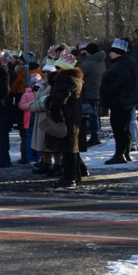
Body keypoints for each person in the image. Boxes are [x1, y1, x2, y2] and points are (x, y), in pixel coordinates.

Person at [100, 38, 138, 164]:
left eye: (111, 52)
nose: (109, 54)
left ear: (117, 52)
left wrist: (109, 90)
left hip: (120, 101)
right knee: (123, 127)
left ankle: (120, 154)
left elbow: (123, 80)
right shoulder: (127, 61)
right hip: (123, 100)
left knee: (119, 128)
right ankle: (124, 152)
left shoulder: (121, 63)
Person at [47, 57, 85, 188]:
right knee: (71, 149)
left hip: (67, 117)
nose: (55, 70)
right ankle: (75, 175)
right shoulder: (72, 79)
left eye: (58, 68)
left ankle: (69, 178)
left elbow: (61, 98)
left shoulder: (67, 80)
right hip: (70, 117)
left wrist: (49, 102)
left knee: (69, 150)